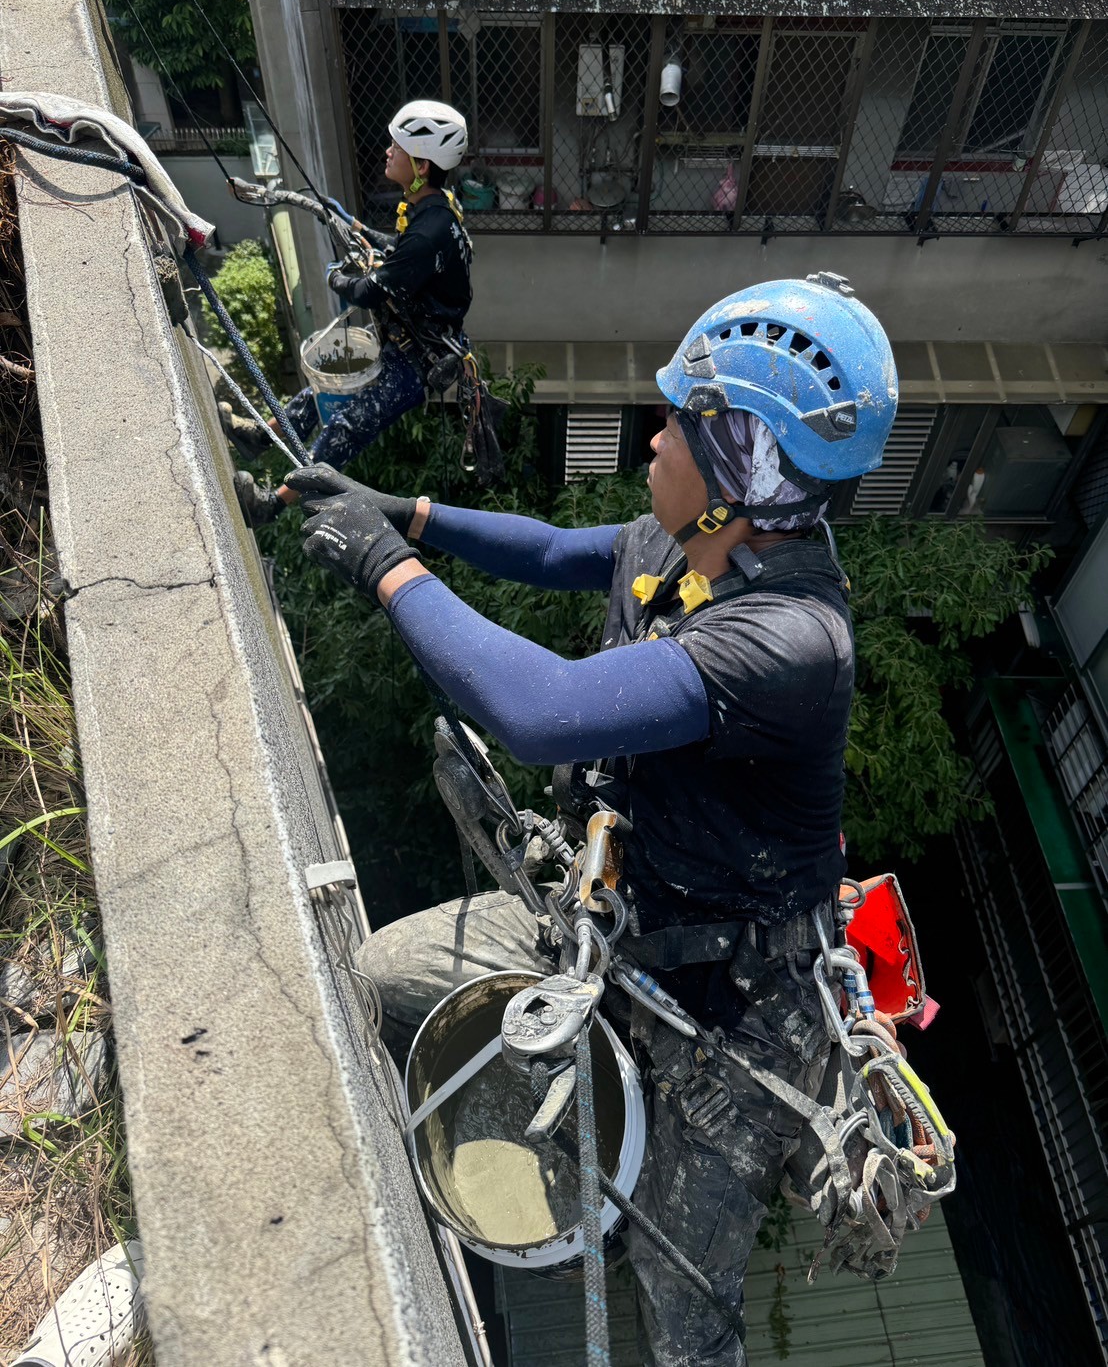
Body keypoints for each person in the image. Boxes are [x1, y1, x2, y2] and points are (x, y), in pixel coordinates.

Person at [286, 273, 898, 1365]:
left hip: (731, 1017)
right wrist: (406, 512)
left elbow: (544, 711)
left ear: (740, 469)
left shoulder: (793, 642)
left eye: (680, 424)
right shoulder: (689, 544)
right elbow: (558, 551)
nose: (653, 437)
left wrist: (384, 566)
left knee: (680, 1317)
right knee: (384, 979)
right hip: (613, 926)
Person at [231, 99, 473, 525]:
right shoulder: (435, 206)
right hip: (405, 344)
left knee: (345, 428)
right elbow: (403, 253)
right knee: (317, 396)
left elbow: (369, 290)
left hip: (417, 362)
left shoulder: (431, 230)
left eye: (396, 147)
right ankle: (258, 437)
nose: (388, 152)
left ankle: (269, 506)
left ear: (420, 165)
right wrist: (358, 230)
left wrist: (335, 279)